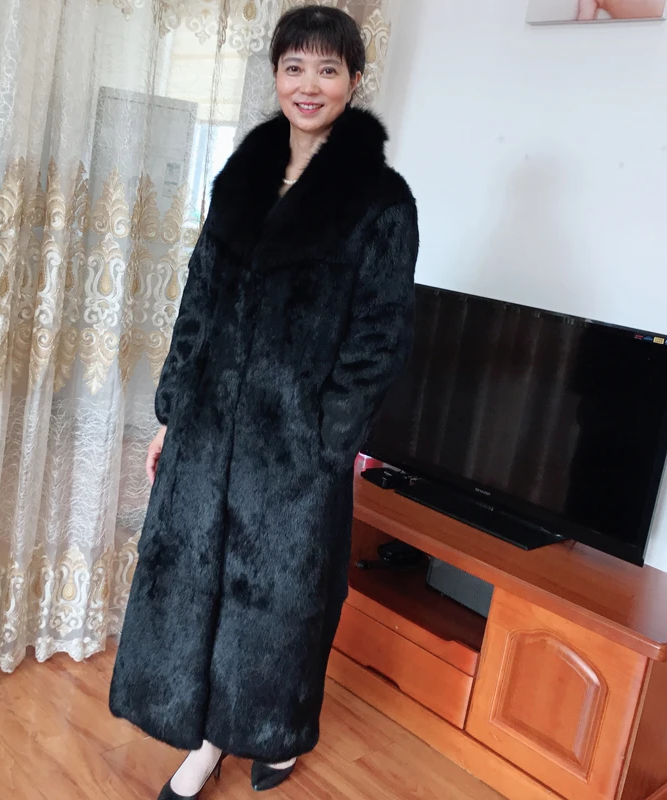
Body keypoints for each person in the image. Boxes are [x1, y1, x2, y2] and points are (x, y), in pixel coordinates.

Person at [109, 7, 419, 799]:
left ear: (354, 80)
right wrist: (174, 414)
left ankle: (262, 733)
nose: (308, 85)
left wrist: (326, 441)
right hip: (208, 431)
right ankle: (207, 737)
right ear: (276, 75)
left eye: (327, 69)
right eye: (293, 67)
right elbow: (198, 303)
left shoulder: (381, 202)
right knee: (198, 588)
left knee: (277, 603)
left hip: (295, 449)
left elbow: (380, 336)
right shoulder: (241, 179)